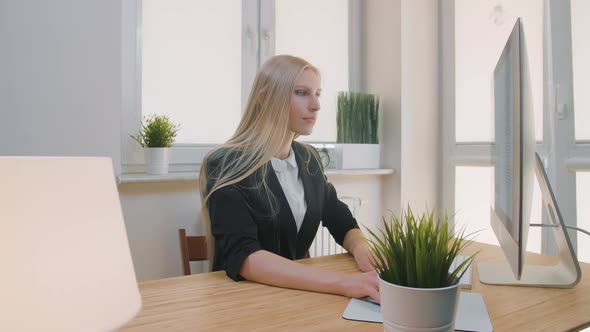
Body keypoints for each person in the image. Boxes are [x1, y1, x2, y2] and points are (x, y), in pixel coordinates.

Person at [199, 55, 380, 302]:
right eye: (302, 93)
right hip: (241, 303)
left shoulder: (309, 158)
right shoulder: (224, 164)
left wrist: (361, 247)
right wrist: (343, 283)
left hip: (296, 298)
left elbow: (340, 218)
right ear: (264, 98)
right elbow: (246, 258)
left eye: (318, 93)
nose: (316, 105)